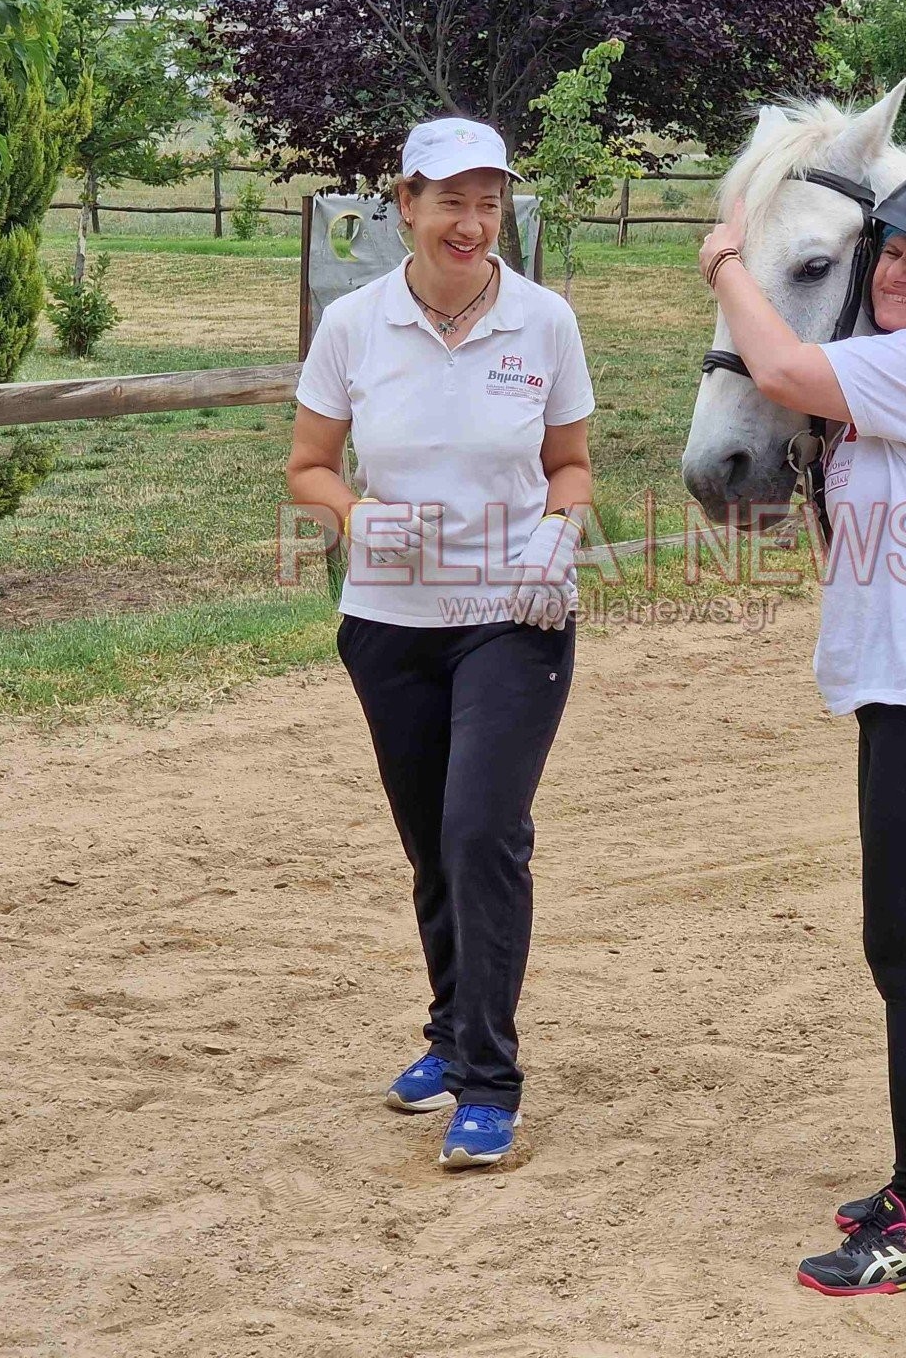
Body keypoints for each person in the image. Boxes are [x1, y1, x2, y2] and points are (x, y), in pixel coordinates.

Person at [699, 166, 906, 1295]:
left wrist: (725, 266)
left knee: (904, 955)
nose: (898, 273)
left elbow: (784, 366)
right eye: (890, 251)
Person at [286, 117, 596, 1171]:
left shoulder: (545, 322)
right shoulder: (354, 325)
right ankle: (447, 1032)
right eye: (450, 201)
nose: (471, 223)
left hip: (514, 618)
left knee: (479, 832)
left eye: (489, 202)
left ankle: (489, 1080)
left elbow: (571, 465)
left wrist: (559, 536)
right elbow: (308, 465)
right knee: (431, 845)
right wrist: (352, 517)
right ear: (405, 203)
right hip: (387, 626)